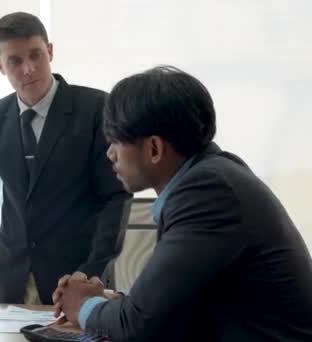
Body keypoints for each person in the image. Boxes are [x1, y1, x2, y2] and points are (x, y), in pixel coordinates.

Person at [53, 66, 312, 341]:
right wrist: (111, 300)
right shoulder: (214, 175)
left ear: (154, 148)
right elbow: (175, 302)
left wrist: (82, 307)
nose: (109, 153)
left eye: (116, 140)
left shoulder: (207, 193)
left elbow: (139, 326)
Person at [0, 11, 131, 305]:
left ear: (50, 51)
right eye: (15, 61)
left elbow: (115, 198)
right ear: (1, 66)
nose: (29, 69)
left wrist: (89, 273)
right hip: (10, 283)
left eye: (36, 55)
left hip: (78, 281)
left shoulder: (96, 108)